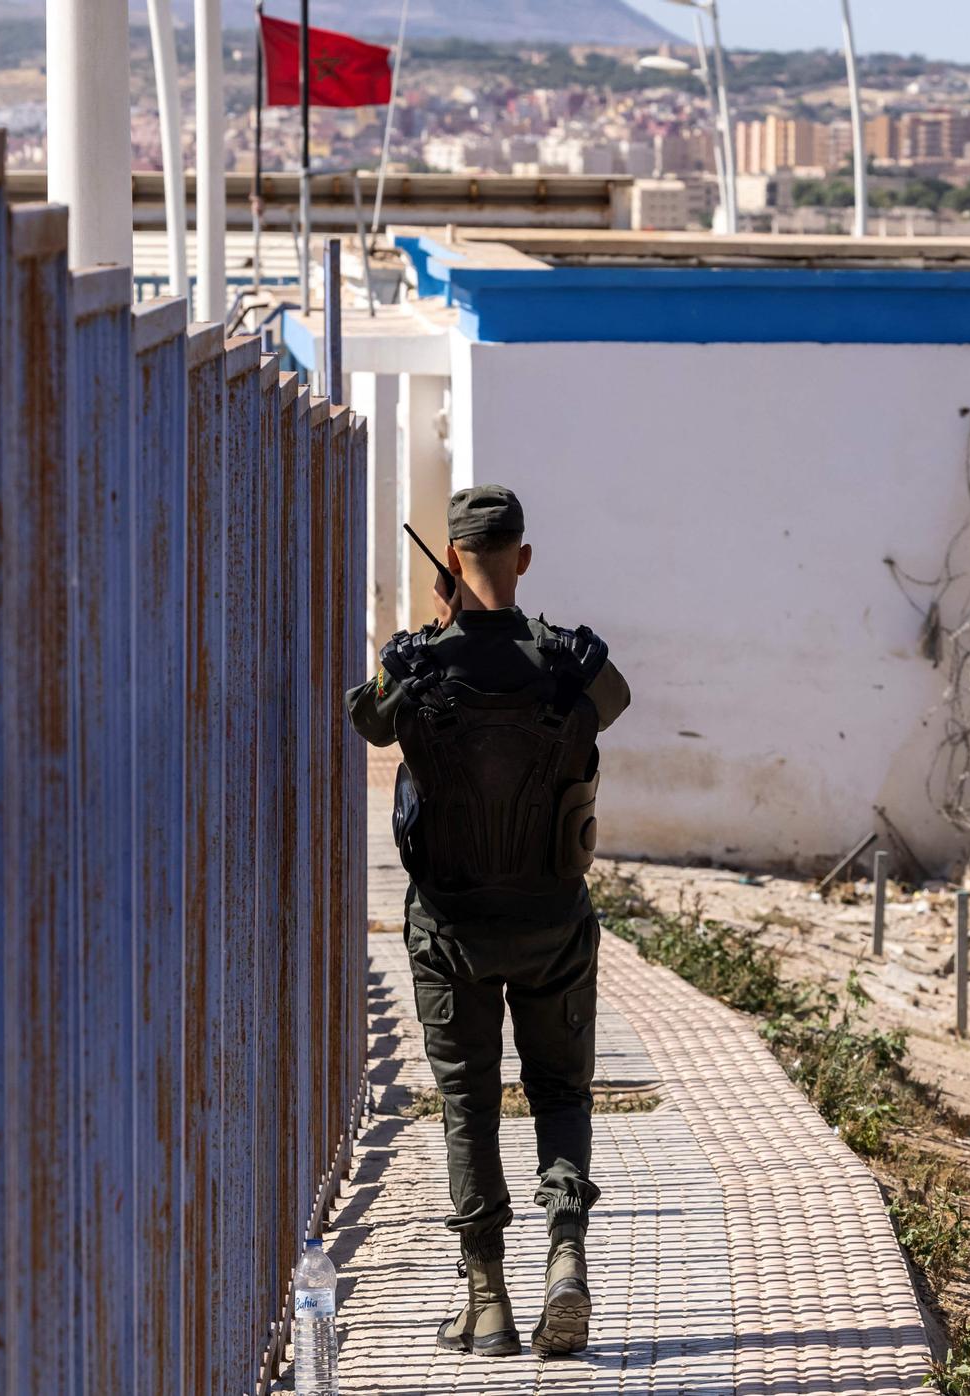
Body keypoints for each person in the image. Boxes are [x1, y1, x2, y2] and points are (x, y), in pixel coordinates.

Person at [345, 485, 631, 1359]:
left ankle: (488, 1300)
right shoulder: (573, 661)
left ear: (449, 565)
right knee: (560, 1093)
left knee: (468, 1105)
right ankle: (567, 1255)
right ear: (525, 557)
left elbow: (367, 718)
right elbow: (611, 702)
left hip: (451, 931)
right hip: (552, 924)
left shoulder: (419, 664)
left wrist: (440, 630)